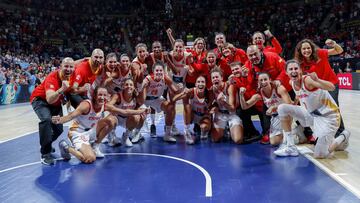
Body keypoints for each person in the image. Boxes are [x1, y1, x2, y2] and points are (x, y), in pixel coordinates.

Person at [275, 60, 349, 157]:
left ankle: (343, 136)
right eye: (291, 69)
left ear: (301, 70)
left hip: (329, 117)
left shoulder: (307, 81)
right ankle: (290, 146)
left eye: (296, 68)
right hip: (312, 115)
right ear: (286, 72)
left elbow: (332, 87)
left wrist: (318, 80)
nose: (294, 71)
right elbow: (300, 96)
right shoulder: (292, 82)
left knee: (320, 155)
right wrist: (294, 105)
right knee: (282, 108)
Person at [53, 86, 148, 163]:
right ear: (94, 96)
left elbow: (124, 111)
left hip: (91, 131)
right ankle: (66, 147)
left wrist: (141, 111)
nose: (102, 97)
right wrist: (59, 120)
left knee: (112, 120)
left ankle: (95, 146)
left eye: (104, 95)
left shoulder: (105, 105)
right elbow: (71, 116)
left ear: (107, 97)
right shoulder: (86, 105)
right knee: (89, 159)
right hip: (78, 133)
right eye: (100, 95)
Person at [294, 39, 350, 141]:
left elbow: (339, 51)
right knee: (318, 110)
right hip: (317, 88)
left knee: (333, 107)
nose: (306, 50)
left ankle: (341, 133)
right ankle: (323, 133)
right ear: (300, 51)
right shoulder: (300, 62)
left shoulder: (320, 52)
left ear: (312, 48)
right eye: (304, 49)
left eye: (308, 48)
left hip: (330, 83)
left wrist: (334, 44)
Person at [30, 57, 75, 165]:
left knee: (59, 129)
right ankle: (45, 154)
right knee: (46, 120)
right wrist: (61, 89)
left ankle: (47, 144)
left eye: (71, 67)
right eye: (66, 66)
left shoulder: (72, 75)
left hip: (56, 104)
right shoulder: (52, 77)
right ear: (60, 67)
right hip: (41, 100)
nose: (68, 69)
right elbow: (50, 99)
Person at [239, 72, 293, 146]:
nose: (263, 82)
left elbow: (289, 105)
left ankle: (292, 132)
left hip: (287, 114)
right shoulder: (259, 94)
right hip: (275, 117)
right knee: (273, 142)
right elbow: (244, 106)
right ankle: (291, 133)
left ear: (270, 80)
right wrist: (241, 95)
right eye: (261, 80)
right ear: (258, 82)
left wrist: (274, 107)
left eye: (265, 79)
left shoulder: (279, 88)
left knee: (283, 139)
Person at [141, 61, 179, 142]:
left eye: (161, 70)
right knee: (139, 113)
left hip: (156, 99)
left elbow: (175, 91)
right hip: (145, 100)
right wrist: (142, 107)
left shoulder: (166, 78)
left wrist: (181, 87)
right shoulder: (148, 79)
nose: (159, 72)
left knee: (170, 108)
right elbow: (142, 97)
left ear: (163, 71)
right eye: (157, 71)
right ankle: (136, 133)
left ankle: (167, 134)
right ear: (153, 71)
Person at [107, 78, 147, 147]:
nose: (129, 86)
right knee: (108, 116)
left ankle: (126, 136)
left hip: (127, 120)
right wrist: (117, 110)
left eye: (131, 85)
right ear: (122, 86)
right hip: (116, 118)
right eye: (126, 84)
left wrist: (144, 111)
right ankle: (111, 136)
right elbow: (107, 105)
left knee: (139, 117)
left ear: (134, 87)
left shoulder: (135, 97)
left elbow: (141, 103)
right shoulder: (117, 96)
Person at [172, 76, 212, 144]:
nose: (200, 84)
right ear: (195, 84)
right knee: (187, 106)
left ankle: (203, 130)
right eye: (198, 82)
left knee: (205, 127)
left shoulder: (209, 93)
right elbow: (174, 99)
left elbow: (214, 104)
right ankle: (186, 131)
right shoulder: (191, 91)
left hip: (203, 117)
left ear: (205, 84)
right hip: (192, 116)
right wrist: (183, 93)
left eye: (203, 82)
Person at [210, 68, 244, 144]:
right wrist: (213, 108)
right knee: (215, 139)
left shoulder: (229, 87)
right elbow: (211, 105)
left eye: (217, 77)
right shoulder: (212, 89)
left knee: (238, 140)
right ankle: (224, 128)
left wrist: (222, 102)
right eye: (213, 78)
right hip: (220, 114)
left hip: (231, 114)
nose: (215, 79)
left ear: (221, 78)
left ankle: (230, 128)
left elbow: (232, 108)